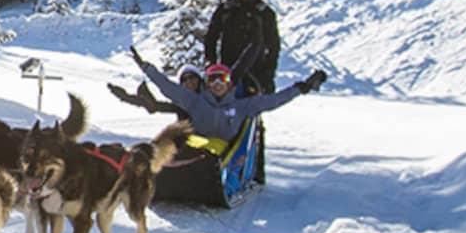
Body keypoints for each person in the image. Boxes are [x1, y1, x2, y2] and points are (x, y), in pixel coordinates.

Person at [130, 48, 325, 143]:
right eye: (212, 79)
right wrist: (147, 68)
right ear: (206, 83)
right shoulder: (195, 101)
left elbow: (273, 101)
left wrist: (300, 88)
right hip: (198, 151)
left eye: (221, 79)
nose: (216, 84)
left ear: (229, 83)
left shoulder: (243, 106)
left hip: (225, 158)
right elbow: (168, 87)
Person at [204, 0, 279, 95]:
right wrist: (211, 64)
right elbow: (211, 38)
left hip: (255, 72)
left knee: (250, 112)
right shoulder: (225, 9)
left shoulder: (265, 13)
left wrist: (268, 74)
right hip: (227, 72)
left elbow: (274, 46)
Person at [107, 64, 202, 117]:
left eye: (192, 77)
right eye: (184, 79)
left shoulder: (210, 97)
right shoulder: (181, 104)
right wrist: (125, 97)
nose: (189, 81)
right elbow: (155, 106)